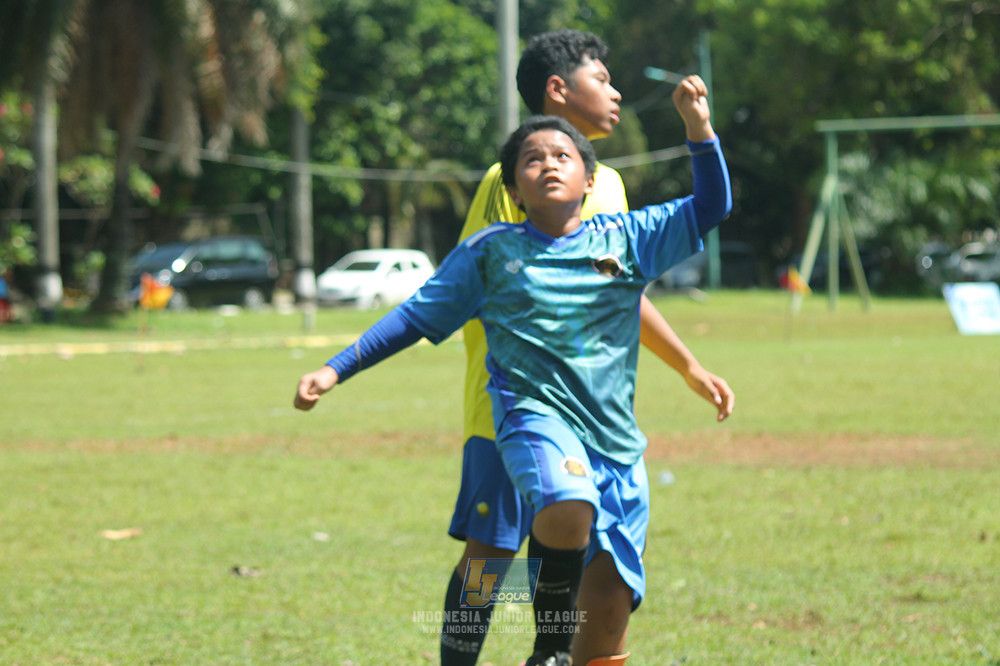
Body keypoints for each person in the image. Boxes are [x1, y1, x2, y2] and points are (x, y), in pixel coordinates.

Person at [295, 75, 731, 666]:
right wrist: (335, 368)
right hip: (510, 422)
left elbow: (694, 226)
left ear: (588, 176)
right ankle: (510, 653)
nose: (549, 163)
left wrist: (699, 129)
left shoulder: (621, 237)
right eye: (533, 158)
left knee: (606, 609)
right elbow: (419, 315)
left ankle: (555, 648)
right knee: (490, 559)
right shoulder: (491, 247)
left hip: (610, 439)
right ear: (514, 185)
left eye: (562, 155)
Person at [441, 30, 733, 665]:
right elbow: (499, 275)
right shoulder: (514, 176)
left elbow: (617, 291)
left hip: (590, 414)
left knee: (604, 567)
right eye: (602, 79)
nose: (616, 91)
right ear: (559, 90)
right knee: (491, 554)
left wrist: (686, 364)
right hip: (509, 405)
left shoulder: (610, 187)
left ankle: (554, 657)